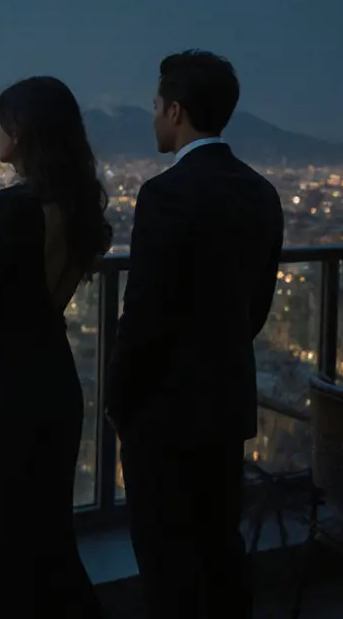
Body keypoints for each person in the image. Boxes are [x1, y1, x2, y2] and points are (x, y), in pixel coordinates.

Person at [105, 50, 284, 619]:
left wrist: (119, 399)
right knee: (219, 549)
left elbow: (145, 314)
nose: (154, 117)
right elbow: (255, 306)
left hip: (163, 413)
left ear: (176, 111)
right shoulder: (261, 192)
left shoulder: (164, 195)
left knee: (166, 560)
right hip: (225, 404)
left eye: (157, 106)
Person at [0, 76, 111, 618]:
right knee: (49, 543)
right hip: (53, 385)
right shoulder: (79, 202)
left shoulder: (13, 208)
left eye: (2, 124)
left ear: (19, 133)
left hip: (2, 394)